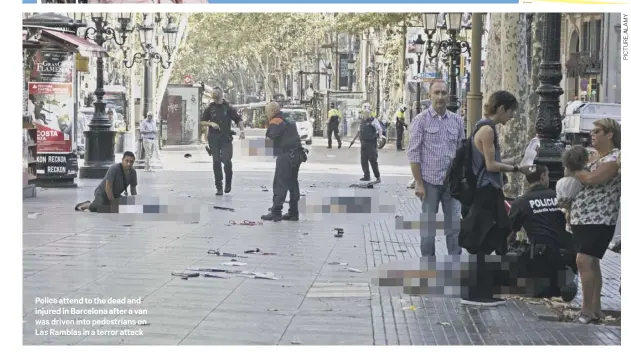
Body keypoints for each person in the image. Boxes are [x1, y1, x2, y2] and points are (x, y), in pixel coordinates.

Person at [459, 90, 534, 306]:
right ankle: (477, 293)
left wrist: (517, 159)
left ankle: (479, 291)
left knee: (485, 240)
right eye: (511, 112)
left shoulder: (482, 126)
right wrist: (517, 168)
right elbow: (491, 166)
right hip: (486, 191)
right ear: (501, 108)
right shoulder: (488, 130)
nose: (511, 117)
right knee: (484, 240)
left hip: (484, 191)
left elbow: (489, 161)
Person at [568, 118, 621, 324]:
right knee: (592, 262)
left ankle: (586, 311)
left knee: (583, 261)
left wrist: (574, 172)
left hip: (600, 218)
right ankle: (596, 308)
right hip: (582, 217)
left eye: (597, 131)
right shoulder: (592, 157)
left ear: (610, 134)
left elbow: (592, 179)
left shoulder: (615, 158)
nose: (593, 135)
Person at [407, 79, 465, 257]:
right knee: (428, 230)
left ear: (448, 96)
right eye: (437, 93)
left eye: (444, 93)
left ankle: (455, 267)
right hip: (429, 183)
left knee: (454, 227)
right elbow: (413, 153)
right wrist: (418, 183)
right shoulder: (420, 121)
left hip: (452, 185)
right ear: (429, 95)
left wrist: (462, 179)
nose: (440, 97)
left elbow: (461, 152)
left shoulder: (457, 121)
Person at [508, 164, 578, 302]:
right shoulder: (557, 196)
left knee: (514, 252)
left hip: (540, 258)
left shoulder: (521, 202)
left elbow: (509, 233)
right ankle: (567, 279)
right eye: (548, 175)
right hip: (565, 254)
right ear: (542, 177)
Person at [260, 102, 307, 222]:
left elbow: (270, 137)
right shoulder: (288, 120)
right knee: (292, 183)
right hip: (297, 155)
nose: (266, 114)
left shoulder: (276, 121)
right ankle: (293, 212)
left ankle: (276, 212)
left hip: (286, 156)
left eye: (267, 112)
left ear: (272, 111)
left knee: (280, 183)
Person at [200, 87, 245, 196]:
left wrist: (242, 130)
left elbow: (238, 119)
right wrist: (211, 124)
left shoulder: (228, 107)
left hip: (226, 138)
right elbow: (202, 121)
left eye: (217, 96)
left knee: (227, 161)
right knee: (216, 162)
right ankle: (219, 186)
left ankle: (228, 183)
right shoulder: (210, 107)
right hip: (214, 138)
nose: (215, 99)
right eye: (214, 97)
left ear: (221, 95)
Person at [556, 145, 589, 233]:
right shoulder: (586, 178)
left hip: (573, 221)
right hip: (585, 220)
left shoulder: (560, 182)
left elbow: (562, 203)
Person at [352, 103, 383, 183]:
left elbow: (379, 129)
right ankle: (366, 176)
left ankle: (377, 177)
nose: (364, 115)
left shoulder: (373, 120)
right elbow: (359, 131)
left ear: (368, 113)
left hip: (371, 144)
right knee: (363, 160)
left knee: (373, 160)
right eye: (363, 114)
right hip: (363, 144)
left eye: (365, 114)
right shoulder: (362, 121)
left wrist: (380, 138)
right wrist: (353, 140)